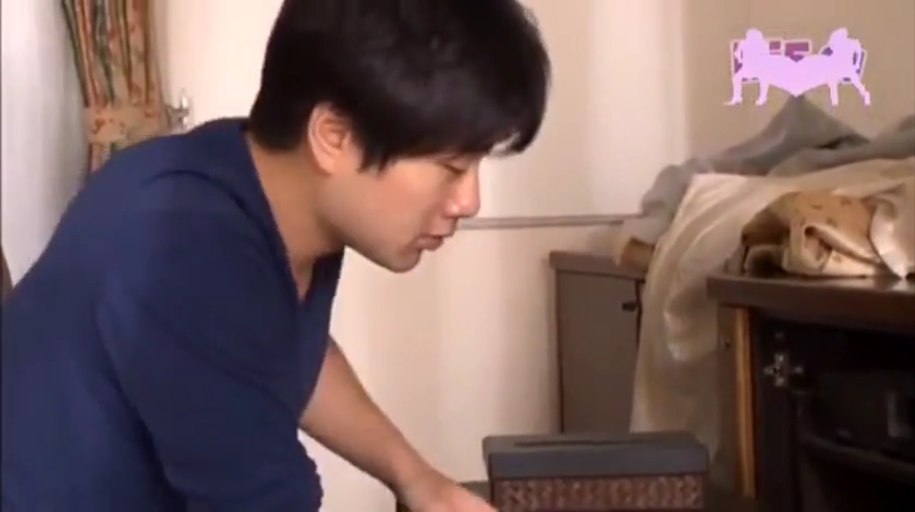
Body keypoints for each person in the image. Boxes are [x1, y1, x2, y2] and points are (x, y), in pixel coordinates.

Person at [0, 0, 549, 510]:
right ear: (333, 135)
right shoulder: (179, 249)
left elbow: (287, 347)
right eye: (451, 168)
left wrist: (416, 478)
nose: (469, 201)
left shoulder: (250, 181)